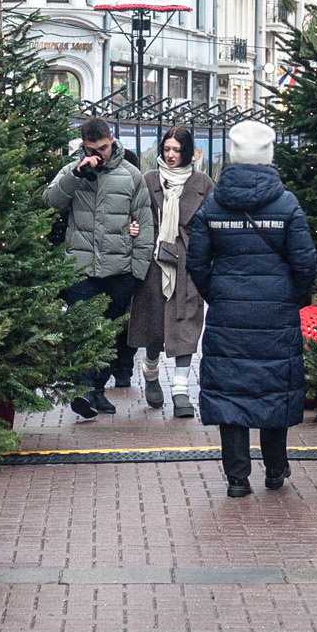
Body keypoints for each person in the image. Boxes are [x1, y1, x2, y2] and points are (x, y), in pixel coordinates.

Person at [187, 119, 317, 497]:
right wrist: (291, 296)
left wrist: (219, 295)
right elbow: (305, 263)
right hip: (276, 312)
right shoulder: (286, 203)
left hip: (229, 312)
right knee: (275, 386)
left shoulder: (213, 203)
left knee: (231, 391)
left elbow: (196, 262)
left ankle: (237, 478)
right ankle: (275, 470)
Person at [44, 117, 150, 419]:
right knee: (82, 331)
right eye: (93, 148)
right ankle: (85, 388)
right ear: (84, 145)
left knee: (109, 336)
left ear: (112, 139)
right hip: (81, 269)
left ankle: (96, 391)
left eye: (104, 147)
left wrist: (137, 271)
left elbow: (144, 223)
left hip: (120, 271)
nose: (100, 153)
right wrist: (76, 175)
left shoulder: (131, 175)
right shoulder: (72, 171)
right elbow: (50, 202)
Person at [127, 126, 212, 416]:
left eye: (177, 150)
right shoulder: (148, 180)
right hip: (154, 263)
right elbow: (133, 215)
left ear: (187, 152)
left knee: (186, 325)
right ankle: (151, 373)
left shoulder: (203, 184)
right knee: (153, 327)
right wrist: (135, 229)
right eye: (167, 149)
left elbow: (210, 226)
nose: (171, 155)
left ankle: (180, 391)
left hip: (188, 266)